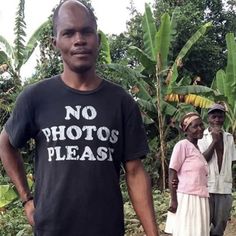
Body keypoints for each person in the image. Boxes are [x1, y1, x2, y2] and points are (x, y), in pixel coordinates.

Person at [0, 1, 159, 235]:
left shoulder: (121, 101)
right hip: (52, 230)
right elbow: (6, 143)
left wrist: (152, 233)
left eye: (86, 31)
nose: (79, 40)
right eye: (68, 33)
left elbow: (135, 172)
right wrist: (26, 198)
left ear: (98, 39)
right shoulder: (35, 97)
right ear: (55, 43)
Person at [165, 112, 210, 236]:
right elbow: (172, 172)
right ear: (186, 130)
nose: (200, 128)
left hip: (200, 198)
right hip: (187, 198)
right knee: (187, 231)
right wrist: (173, 200)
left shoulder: (198, 148)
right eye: (195, 126)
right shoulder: (182, 145)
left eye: (201, 125)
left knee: (198, 232)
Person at [198, 103, 236, 236]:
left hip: (224, 189)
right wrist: (214, 141)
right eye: (214, 117)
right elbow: (201, 161)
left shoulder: (229, 138)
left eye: (220, 117)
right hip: (207, 188)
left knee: (220, 227)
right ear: (208, 118)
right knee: (203, 225)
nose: (217, 120)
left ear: (224, 118)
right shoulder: (201, 137)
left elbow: (230, 162)